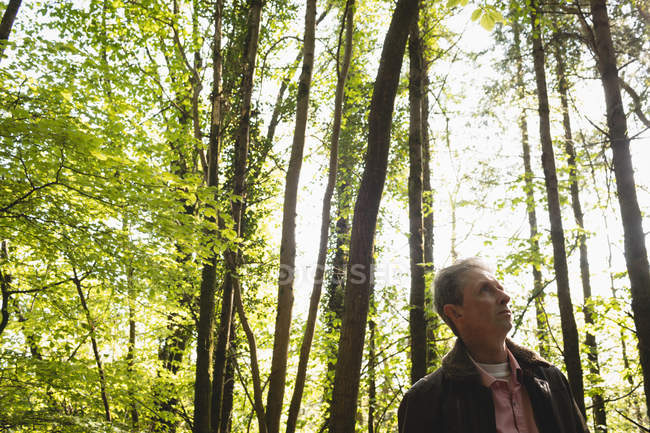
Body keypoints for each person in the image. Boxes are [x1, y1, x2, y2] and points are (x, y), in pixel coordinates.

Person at [398, 257, 589, 433]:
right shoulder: (425, 400)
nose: (505, 297)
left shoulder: (551, 379)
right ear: (455, 313)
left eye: (500, 288)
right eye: (485, 290)